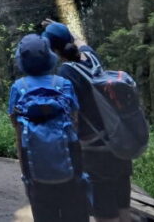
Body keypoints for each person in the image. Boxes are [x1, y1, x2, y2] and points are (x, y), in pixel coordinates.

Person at [44, 21, 133, 222]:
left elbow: (71, 112)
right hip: (117, 138)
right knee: (123, 205)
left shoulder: (66, 72)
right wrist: (62, 26)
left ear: (53, 50)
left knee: (105, 212)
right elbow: (81, 40)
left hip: (94, 147)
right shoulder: (92, 56)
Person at [9, 34, 88, 222]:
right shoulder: (63, 84)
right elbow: (75, 125)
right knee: (75, 213)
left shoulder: (18, 87)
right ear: (49, 56)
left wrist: (26, 176)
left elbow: (19, 135)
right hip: (69, 159)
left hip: (35, 165)